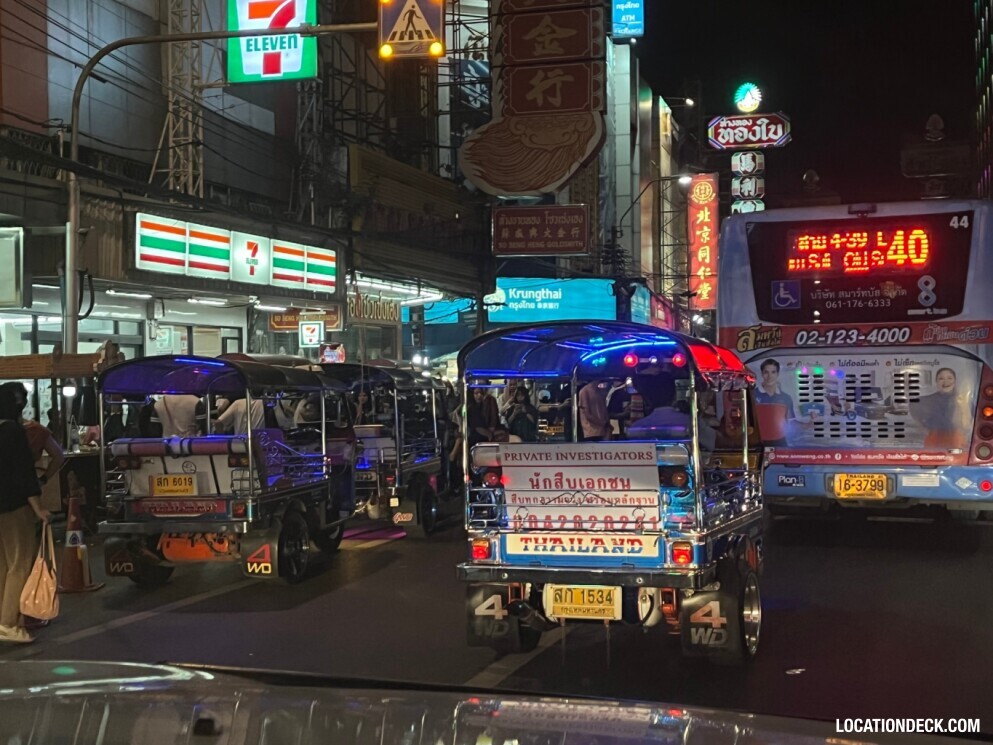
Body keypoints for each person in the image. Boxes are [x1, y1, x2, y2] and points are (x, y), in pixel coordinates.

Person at [0, 386, 50, 644]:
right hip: (14, 505)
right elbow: (23, 472)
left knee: (3, 565)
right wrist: (38, 507)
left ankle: (4, 618)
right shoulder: (13, 431)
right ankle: (8, 623)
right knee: (19, 563)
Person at [911, 367, 967, 449]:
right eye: (941, 378)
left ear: (955, 381)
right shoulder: (928, 400)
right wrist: (923, 428)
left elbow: (968, 423)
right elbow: (913, 405)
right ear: (936, 382)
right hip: (934, 440)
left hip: (957, 440)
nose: (946, 381)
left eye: (949, 378)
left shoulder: (964, 400)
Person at [754, 358, 796, 447]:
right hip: (757, 443)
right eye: (766, 372)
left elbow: (791, 422)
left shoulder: (786, 398)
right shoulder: (752, 395)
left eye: (773, 372)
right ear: (762, 374)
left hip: (780, 443)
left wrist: (809, 423)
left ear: (778, 374)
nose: (770, 376)